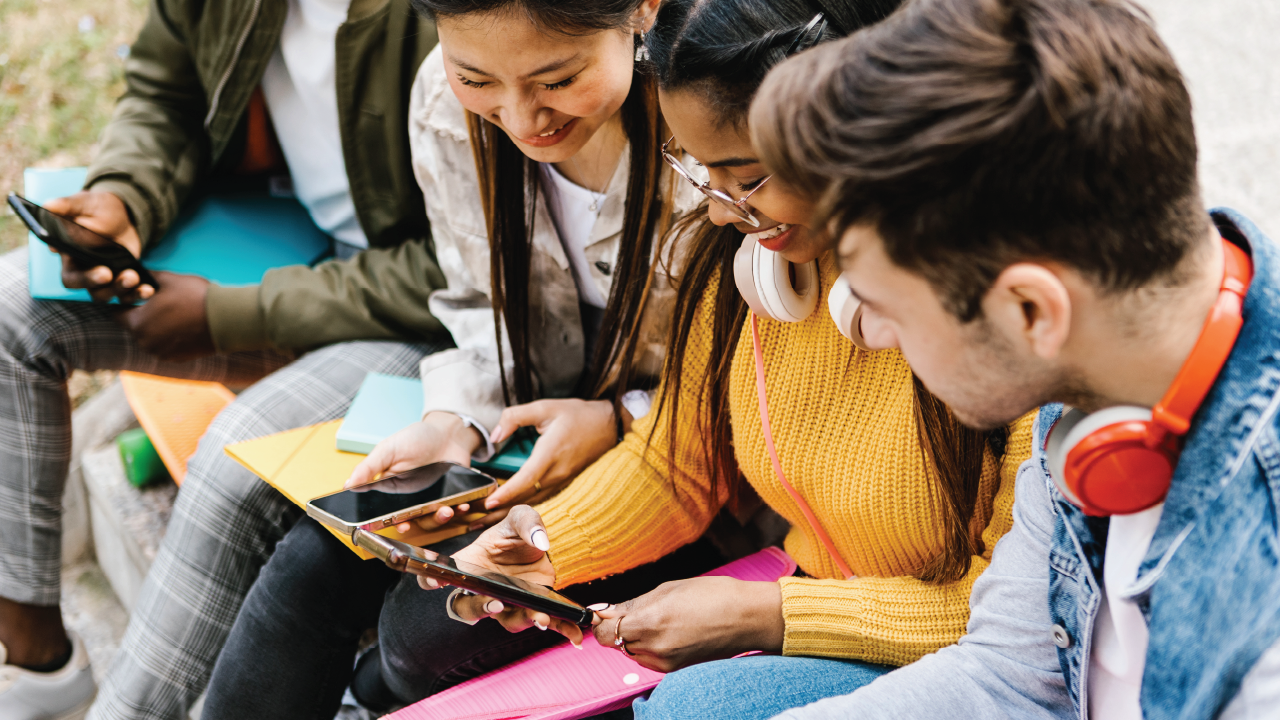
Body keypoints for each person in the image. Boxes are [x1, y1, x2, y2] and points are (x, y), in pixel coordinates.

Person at [425, 1, 1036, 717]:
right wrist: (542, 548)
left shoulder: (1009, 321)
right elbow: (676, 461)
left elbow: (1010, 623)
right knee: (420, 637)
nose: (720, 211)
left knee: (695, 705)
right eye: (701, 171)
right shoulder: (747, 266)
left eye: (747, 180)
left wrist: (767, 614)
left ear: (865, 135)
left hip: (956, 653)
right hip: (805, 593)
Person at [746, 0, 1280, 718]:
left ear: (1030, 311)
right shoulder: (1096, 384)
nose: (870, 333)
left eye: (890, 306)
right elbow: (1006, 676)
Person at [195, 0, 719, 717]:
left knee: (419, 640)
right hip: (527, 442)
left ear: (641, 10)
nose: (522, 116)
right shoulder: (444, 105)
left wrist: (622, 419)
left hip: (681, 470)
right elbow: (475, 299)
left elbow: (753, 389)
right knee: (315, 562)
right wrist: (456, 420)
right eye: (478, 77)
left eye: (556, 78)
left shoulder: (711, 131)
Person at [1, 1, 452, 719]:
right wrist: (126, 194)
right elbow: (164, 92)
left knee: (236, 455)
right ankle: (36, 661)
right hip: (287, 241)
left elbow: (469, 266)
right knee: (15, 308)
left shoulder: (446, 21)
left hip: (429, 319)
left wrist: (226, 316)